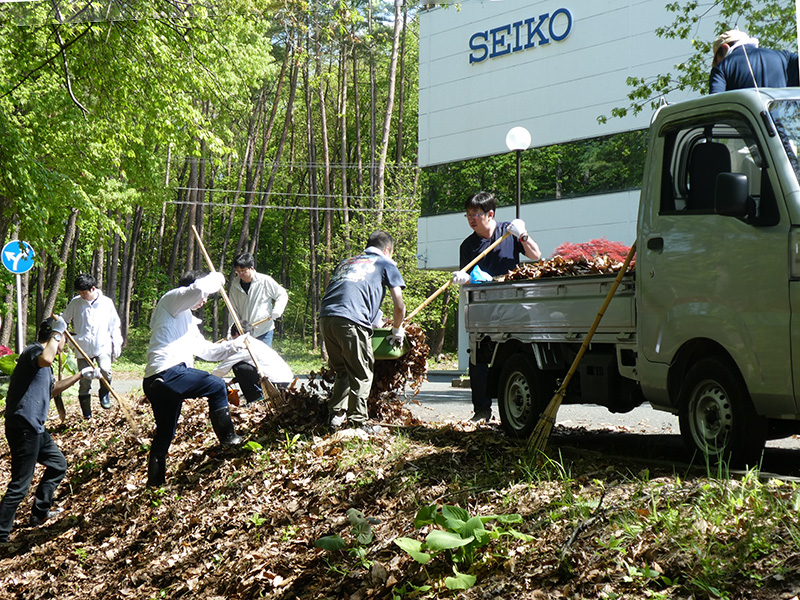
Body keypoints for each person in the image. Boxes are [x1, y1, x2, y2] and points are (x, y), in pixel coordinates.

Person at [142, 270, 250, 487]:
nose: (204, 300)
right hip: (166, 373)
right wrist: (218, 278)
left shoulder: (188, 321)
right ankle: (229, 439)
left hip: (161, 382)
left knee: (165, 433)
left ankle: (155, 484)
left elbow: (208, 352)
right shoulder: (171, 300)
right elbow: (199, 289)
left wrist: (234, 346)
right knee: (217, 385)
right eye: (204, 298)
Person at [0, 316, 102, 544]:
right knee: (20, 484)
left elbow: (52, 390)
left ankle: (39, 513)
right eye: (64, 337)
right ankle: (1, 535)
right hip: (24, 425)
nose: (65, 342)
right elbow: (46, 357)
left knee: (58, 464)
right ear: (56, 336)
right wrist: (58, 333)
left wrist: (80, 375)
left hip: (35, 427)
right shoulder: (34, 351)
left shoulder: (43, 361)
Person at [451, 191, 542, 423]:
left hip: (513, 306)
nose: (471, 219)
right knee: (478, 359)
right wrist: (466, 279)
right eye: (468, 215)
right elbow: (469, 278)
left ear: (490, 214)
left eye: (476, 214)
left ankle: (520, 410)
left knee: (516, 355)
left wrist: (523, 235)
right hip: (484, 310)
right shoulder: (468, 246)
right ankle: (481, 411)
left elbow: (536, 255)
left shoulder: (508, 233)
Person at [319, 230, 406, 434]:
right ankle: (358, 422)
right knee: (361, 372)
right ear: (387, 250)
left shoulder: (347, 262)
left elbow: (351, 291)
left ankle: (335, 416)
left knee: (342, 370)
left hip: (326, 318)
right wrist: (396, 329)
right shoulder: (386, 263)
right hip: (351, 320)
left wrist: (374, 318)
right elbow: (399, 305)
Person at [61, 273, 123, 419]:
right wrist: (62, 332)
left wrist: (117, 343)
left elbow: (115, 324)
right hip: (82, 346)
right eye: (79, 292)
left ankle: (104, 393)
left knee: (106, 370)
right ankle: (87, 413)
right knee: (84, 380)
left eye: (84, 292)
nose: (82, 295)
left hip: (102, 344)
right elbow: (64, 320)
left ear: (93, 288)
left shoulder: (106, 303)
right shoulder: (75, 303)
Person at [212, 325, 294, 404]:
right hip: (285, 379)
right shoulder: (256, 342)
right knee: (241, 366)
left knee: (237, 366)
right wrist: (231, 381)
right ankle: (257, 396)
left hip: (275, 382)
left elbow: (223, 368)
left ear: (237, 334)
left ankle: (254, 399)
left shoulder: (244, 346)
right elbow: (249, 371)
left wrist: (209, 379)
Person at [709, 29, 799, 94]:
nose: (717, 64)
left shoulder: (722, 68)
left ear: (725, 48)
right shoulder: (785, 57)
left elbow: (715, 105)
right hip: (782, 119)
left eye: (716, 61)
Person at [229, 252, 288, 347]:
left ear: (251, 268)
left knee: (262, 360)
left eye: (243, 270)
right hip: (244, 332)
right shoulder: (235, 285)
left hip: (263, 330)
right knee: (246, 360)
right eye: (238, 271)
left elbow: (282, 294)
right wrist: (231, 330)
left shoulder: (264, 281)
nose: (240, 274)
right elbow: (233, 310)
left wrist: (277, 310)